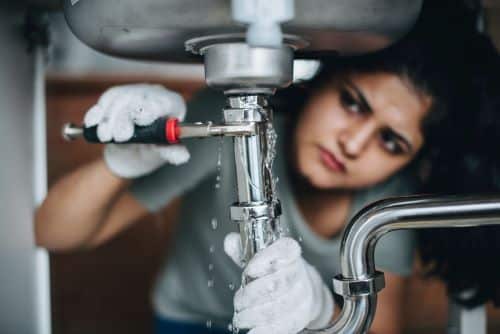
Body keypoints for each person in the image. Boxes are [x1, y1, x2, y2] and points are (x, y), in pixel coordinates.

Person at [35, 1, 500, 333]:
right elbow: (54, 233)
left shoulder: (389, 196)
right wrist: (120, 164)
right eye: (353, 103)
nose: (353, 143)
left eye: (391, 140)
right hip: (190, 322)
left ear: (412, 158)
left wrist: (323, 314)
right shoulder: (225, 118)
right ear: (319, 82)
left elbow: (384, 326)